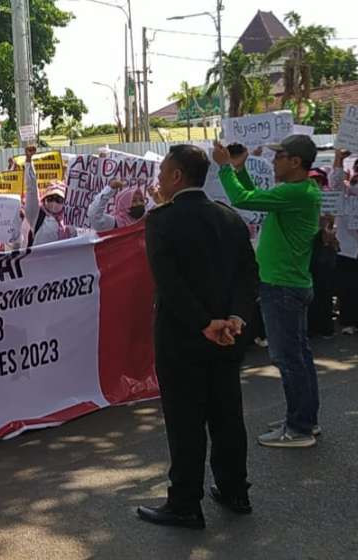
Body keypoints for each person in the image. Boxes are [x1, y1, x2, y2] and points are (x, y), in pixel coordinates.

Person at [138, 144, 258, 530]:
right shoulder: (229, 218)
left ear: (176, 176)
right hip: (228, 336)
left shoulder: (161, 221)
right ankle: (235, 489)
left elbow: (170, 285)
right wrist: (234, 318)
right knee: (227, 414)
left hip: (183, 338)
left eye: (163, 172)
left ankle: (185, 502)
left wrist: (204, 323)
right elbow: (247, 275)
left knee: (185, 421)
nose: (158, 179)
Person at [213, 136, 322, 448]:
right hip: (290, 284)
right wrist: (240, 168)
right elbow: (254, 195)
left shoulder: (295, 192)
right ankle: (304, 419)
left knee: (289, 359)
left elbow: (243, 200)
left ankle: (299, 428)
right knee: (299, 357)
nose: (274, 162)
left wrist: (224, 169)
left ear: (296, 162)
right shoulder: (301, 190)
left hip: (282, 286)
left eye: (280, 156)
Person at [328, 149, 358, 335]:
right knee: (348, 287)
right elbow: (335, 182)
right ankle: (348, 320)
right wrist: (339, 158)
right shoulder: (345, 193)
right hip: (347, 249)